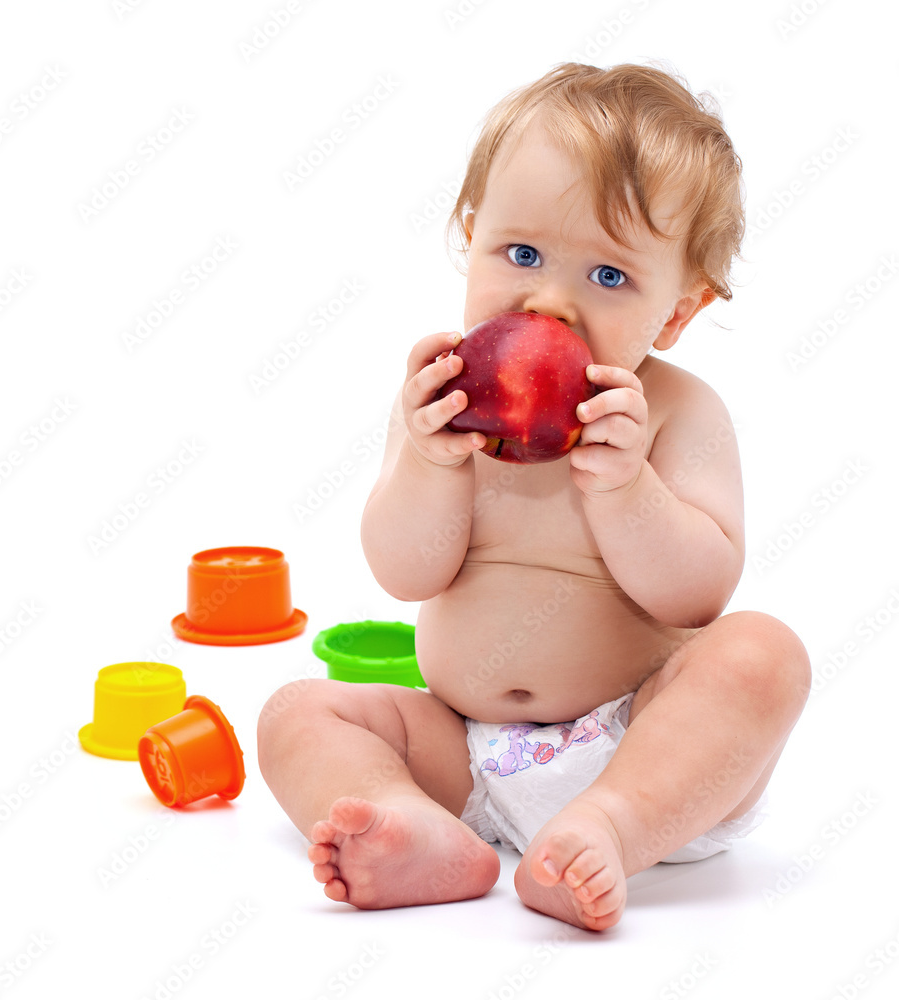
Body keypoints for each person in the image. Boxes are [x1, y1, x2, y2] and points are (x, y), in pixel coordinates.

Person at [257, 61, 810, 931]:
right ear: (470, 237)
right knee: (298, 712)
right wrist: (431, 466)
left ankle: (610, 826)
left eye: (609, 277)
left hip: (638, 745)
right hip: (464, 753)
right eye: (522, 255)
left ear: (676, 314)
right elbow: (405, 573)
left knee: (763, 655)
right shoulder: (444, 401)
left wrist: (628, 489)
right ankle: (414, 827)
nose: (551, 302)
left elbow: (698, 597)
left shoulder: (677, 414)